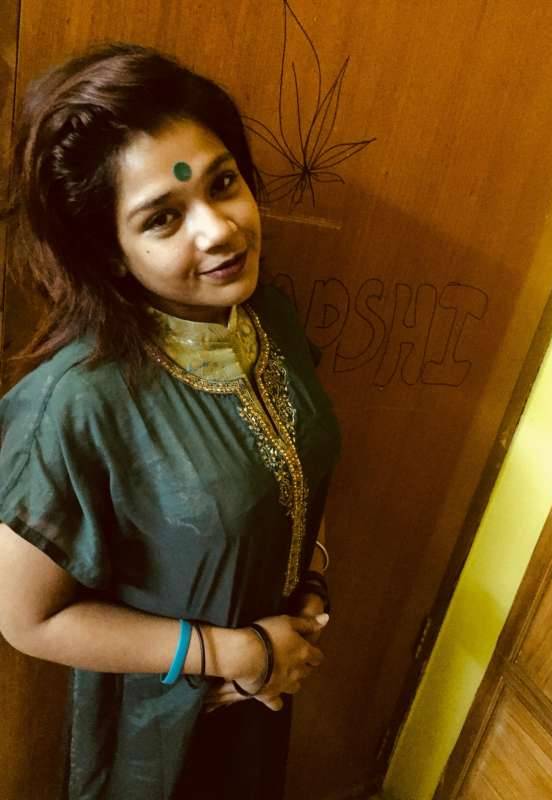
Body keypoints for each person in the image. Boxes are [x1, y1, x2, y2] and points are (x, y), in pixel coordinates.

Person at [0, 42, 341, 800]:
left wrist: (311, 586)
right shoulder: (77, 402)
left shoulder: (269, 319)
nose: (218, 230)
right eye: (163, 218)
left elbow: (298, 464)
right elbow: (26, 619)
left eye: (223, 183)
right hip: (167, 711)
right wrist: (232, 654)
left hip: (273, 676)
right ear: (110, 253)